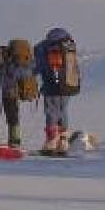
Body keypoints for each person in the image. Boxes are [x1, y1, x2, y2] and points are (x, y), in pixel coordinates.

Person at [33, 27, 80, 155]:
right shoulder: (68, 46)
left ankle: (51, 142)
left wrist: (31, 73)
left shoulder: (44, 48)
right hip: (68, 85)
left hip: (52, 86)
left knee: (51, 112)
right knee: (63, 111)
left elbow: (39, 66)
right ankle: (63, 142)